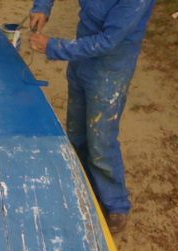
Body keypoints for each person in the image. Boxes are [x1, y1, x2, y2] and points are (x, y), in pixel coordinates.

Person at [29, 0, 156, 234]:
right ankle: (81, 187)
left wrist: (53, 47)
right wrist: (42, 7)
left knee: (101, 142)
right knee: (77, 133)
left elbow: (108, 41)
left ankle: (115, 204)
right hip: (81, 63)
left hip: (110, 70)